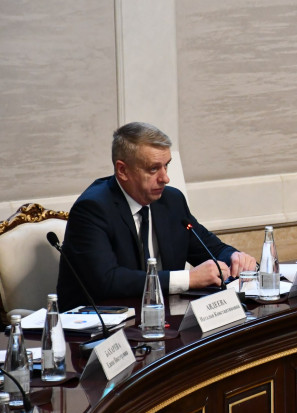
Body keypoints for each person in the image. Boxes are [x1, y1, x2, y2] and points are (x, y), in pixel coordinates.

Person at [57, 122, 258, 310]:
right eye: (153, 169)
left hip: (163, 317)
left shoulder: (171, 201)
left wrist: (234, 258)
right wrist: (188, 279)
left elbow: (210, 248)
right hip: (101, 324)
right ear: (123, 170)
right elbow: (107, 281)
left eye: (166, 165)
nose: (165, 178)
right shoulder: (93, 208)